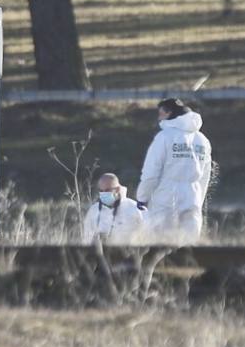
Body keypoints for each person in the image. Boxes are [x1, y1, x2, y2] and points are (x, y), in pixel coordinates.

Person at [136, 98, 213, 245]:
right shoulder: (202, 140)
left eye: (161, 113)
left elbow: (151, 173)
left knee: (160, 244)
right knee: (188, 244)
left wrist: (142, 197)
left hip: (166, 196)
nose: (159, 118)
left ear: (170, 114)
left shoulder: (164, 137)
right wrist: (199, 199)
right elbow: (205, 176)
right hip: (193, 195)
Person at [82, 173, 144, 245]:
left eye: (107, 190)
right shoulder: (94, 210)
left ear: (117, 189)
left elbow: (149, 236)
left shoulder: (136, 209)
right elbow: (86, 239)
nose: (103, 193)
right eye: (101, 191)